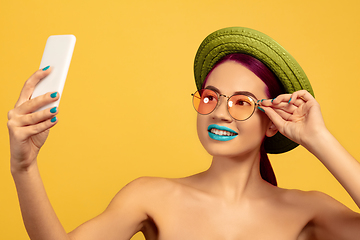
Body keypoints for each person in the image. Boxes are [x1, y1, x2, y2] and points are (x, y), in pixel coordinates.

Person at [8, 27, 360, 240]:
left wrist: (319, 139)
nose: (220, 112)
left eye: (242, 102)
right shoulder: (151, 196)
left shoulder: (308, 210)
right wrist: (25, 168)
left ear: (271, 121)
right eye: (210, 97)